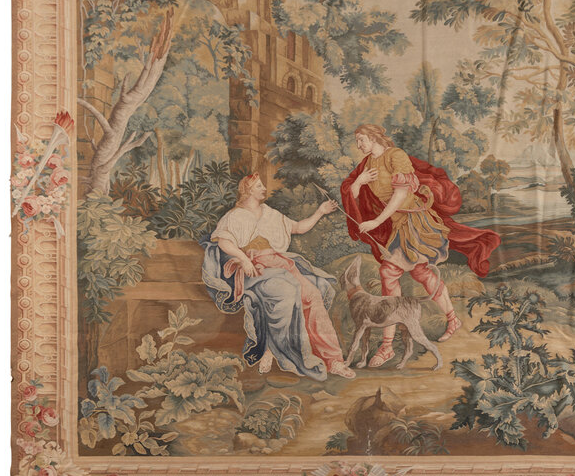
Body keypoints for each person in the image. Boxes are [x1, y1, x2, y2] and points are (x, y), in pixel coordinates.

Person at [340, 124, 501, 368]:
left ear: (374, 138)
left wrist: (376, 221)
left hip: (414, 222)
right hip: (396, 224)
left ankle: (387, 346)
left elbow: (400, 195)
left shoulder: (396, 156)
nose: (358, 145)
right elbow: (351, 195)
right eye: (357, 140)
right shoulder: (366, 164)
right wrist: (359, 182)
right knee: (419, 273)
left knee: (390, 272)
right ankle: (450, 319)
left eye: (361, 139)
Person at [200, 172, 355, 380]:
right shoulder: (235, 216)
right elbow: (224, 242)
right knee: (288, 292)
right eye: (259, 186)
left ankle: (333, 360)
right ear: (247, 190)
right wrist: (244, 260)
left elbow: (298, 227)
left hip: (280, 264)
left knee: (313, 295)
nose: (264, 189)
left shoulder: (270, 213)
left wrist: (320, 211)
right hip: (256, 269)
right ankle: (273, 349)